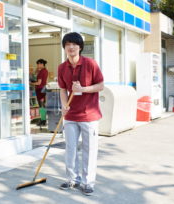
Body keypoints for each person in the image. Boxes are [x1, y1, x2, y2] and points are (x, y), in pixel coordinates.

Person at [57, 32, 104, 196]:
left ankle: (87, 182)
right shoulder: (62, 67)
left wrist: (82, 89)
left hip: (89, 115)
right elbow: (63, 89)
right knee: (70, 148)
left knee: (89, 149)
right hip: (70, 116)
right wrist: (64, 105)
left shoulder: (90, 64)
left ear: (80, 47)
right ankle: (72, 179)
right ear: (64, 47)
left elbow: (100, 85)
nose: (71, 47)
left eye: (74, 44)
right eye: (67, 44)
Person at [30, 59, 48, 125]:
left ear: (41, 64)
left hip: (40, 90)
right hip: (43, 89)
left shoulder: (41, 72)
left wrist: (30, 83)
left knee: (41, 106)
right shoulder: (45, 71)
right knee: (43, 105)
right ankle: (43, 120)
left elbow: (38, 83)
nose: (37, 65)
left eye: (38, 64)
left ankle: (43, 120)